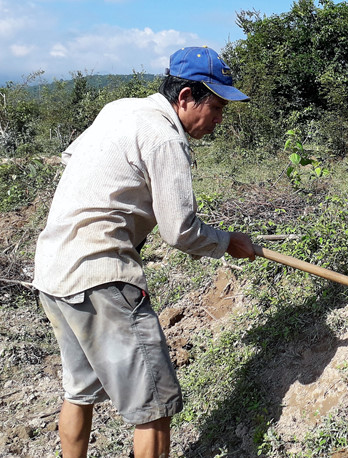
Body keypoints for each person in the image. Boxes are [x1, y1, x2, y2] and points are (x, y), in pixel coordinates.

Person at [32, 46, 255, 458]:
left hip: (53, 271)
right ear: (186, 97)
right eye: (218, 106)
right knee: (154, 407)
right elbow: (181, 232)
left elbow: (76, 159)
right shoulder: (164, 138)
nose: (221, 119)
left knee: (78, 392)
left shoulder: (120, 108)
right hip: (100, 275)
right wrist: (229, 243)